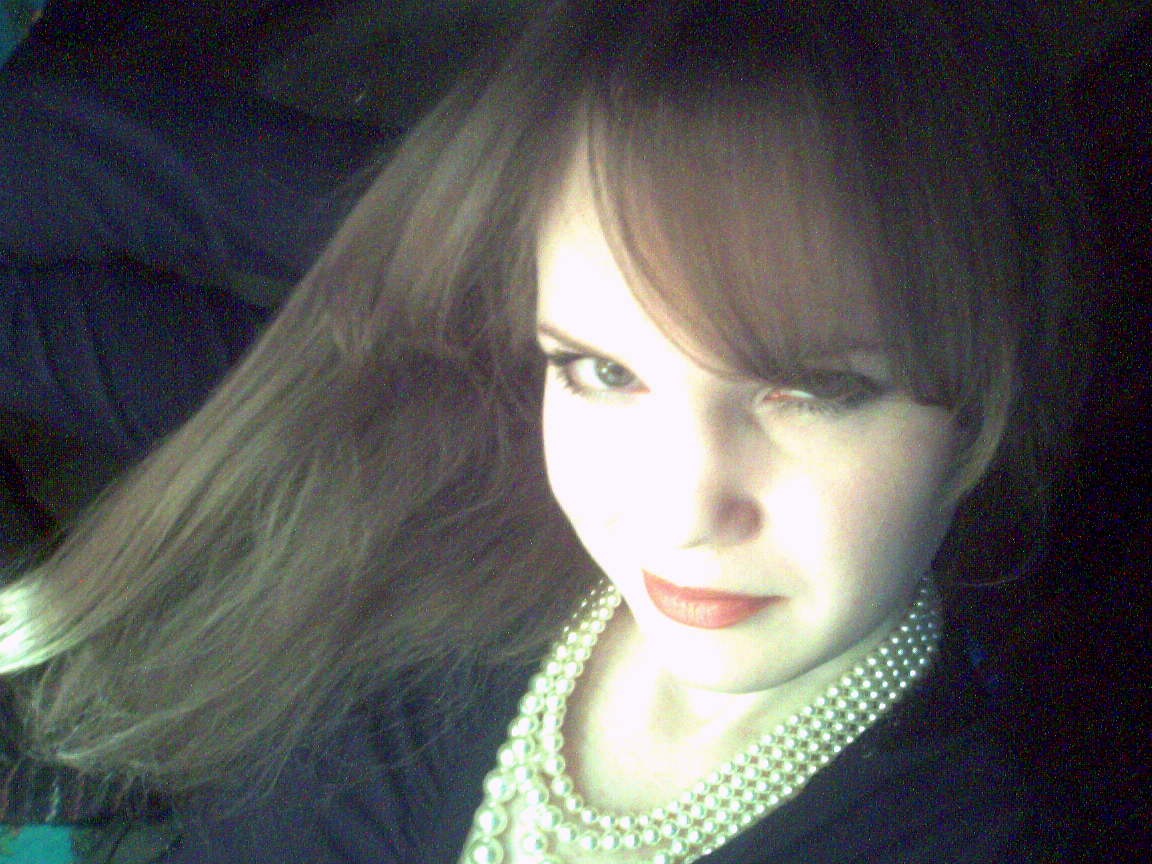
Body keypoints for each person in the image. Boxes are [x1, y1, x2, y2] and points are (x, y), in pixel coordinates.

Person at [0, 1, 1093, 862]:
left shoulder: (952, 833)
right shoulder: (456, 491)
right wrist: (436, 257)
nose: (674, 515)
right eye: (603, 368)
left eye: (814, 389)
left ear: (986, 396)